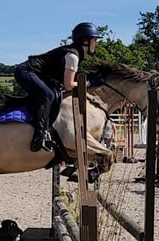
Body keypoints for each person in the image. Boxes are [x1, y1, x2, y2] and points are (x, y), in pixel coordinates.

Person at [14, 22, 102, 152]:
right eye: (95, 40)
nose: (96, 43)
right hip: (26, 71)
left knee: (53, 93)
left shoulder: (76, 54)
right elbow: (69, 85)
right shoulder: (73, 56)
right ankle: (39, 136)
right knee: (47, 95)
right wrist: (89, 84)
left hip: (36, 73)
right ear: (85, 41)